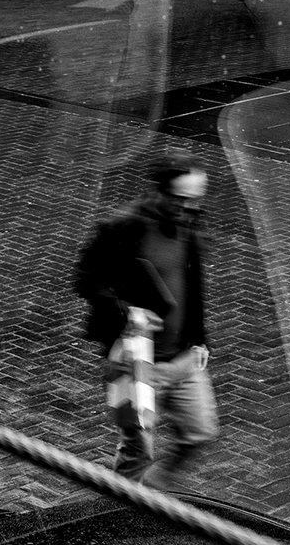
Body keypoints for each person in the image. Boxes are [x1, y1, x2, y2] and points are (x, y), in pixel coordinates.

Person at [74, 150, 218, 489]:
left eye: (196, 200)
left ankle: (149, 492)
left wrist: (200, 340)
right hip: (135, 360)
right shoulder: (123, 228)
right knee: (138, 452)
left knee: (200, 432)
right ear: (158, 191)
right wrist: (126, 311)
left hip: (183, 358)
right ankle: (121, 508)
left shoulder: (189, 226)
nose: (190, 208)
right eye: (181, 199)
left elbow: (193, 288)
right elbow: (86, 279)